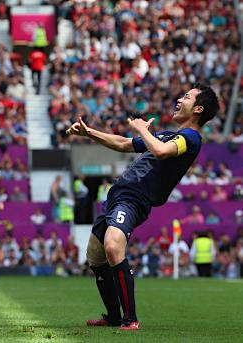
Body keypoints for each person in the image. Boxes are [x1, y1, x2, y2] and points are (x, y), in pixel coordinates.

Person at [66, 83, 219, 330]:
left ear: (198, 109)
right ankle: (113, 316)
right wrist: (89, 133)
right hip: (116, 198)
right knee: (95, 257)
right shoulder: (167, 134)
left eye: (187, 97)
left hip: (133, 200)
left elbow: (160, 152)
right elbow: (124, 144)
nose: (179, 99)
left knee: (113, 247)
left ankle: (130, 319)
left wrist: (141, 129)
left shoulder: (190, 138)